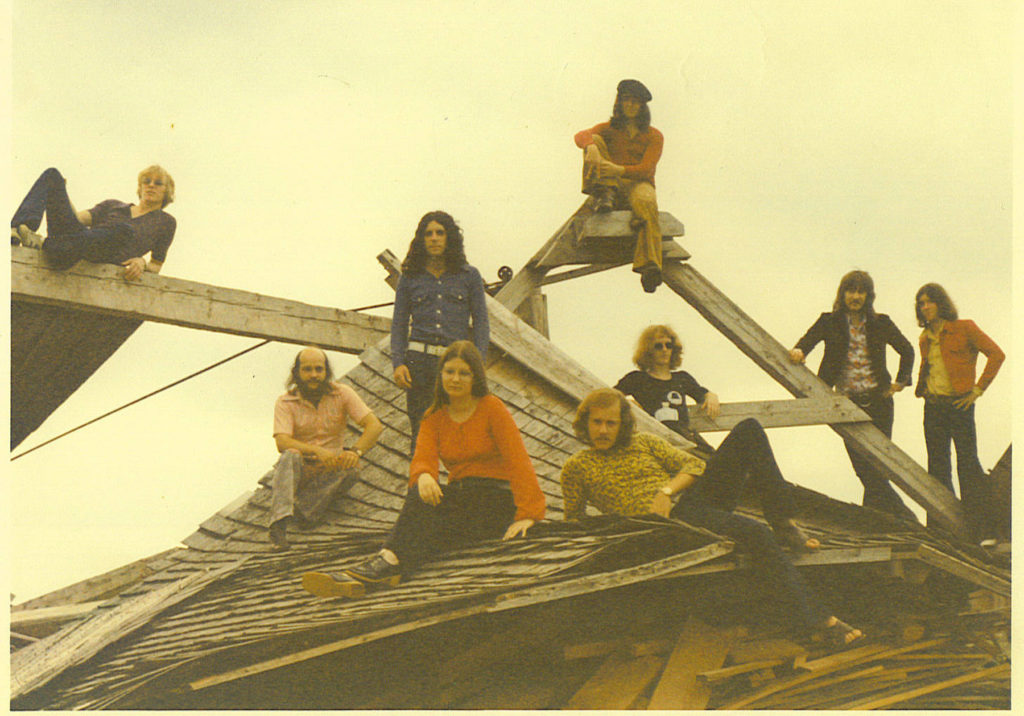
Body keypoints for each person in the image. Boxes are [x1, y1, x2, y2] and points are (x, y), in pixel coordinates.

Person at [560, 388, 864, 649]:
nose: (602, 430)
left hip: (689, 505)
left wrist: (665, 491)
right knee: (754, 532)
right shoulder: (577, 467)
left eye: (610, 423)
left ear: (622, 424)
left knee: (749, 429)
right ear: (584, 424)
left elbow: (693, 465)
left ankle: (782, 520)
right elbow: (574, 519)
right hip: (660, 529)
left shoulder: (644, 443)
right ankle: (822, 619)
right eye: (596, 422)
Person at [302, 341, 545, 598]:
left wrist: (528, 514)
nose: (455, 379)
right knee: (424, 513)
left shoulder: (491, 407)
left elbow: (519, 461)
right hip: (461, 499)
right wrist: (425, 475)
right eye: (450, 371)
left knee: (425, 524)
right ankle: (374, 579)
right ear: (440, 375)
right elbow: (422, 459)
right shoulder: (433, 416)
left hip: (496, 500)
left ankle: (386, 561)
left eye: (464, 373)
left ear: (475, 377)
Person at [789, 271, 917, 520]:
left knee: (878, 468)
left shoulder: (881, 322)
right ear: (842, 293)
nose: (855, 296)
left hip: (879, 404)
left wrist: (901, 382)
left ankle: (879, 519)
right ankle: (903, 517)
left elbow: (907, 350)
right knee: (863, 469)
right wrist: (798, 351)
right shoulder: (829, 321)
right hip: (846, 405)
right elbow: (806, 342)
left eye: (861, 291)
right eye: (851, 290)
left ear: (869, 296)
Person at [264, 347, 383, 550]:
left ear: (326, 372)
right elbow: (282, 442)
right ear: (297, 373)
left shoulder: (343, 393)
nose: (313, 375)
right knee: (289, 456)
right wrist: (315, 450)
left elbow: (375, 425)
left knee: (352, 469)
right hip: (299, 471)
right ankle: (279, 525)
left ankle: (304, 511)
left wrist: (355, 451)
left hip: (328, 470)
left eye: (319, 369)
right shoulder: (285, 401)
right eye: (307, 369)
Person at [390, 211, 490, 453]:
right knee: (422, 434)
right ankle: (418, 489)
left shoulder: (469, 276)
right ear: (421, 239)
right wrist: (398, 363)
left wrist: (476, 365)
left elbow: (481, 324)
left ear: (450, 238)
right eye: (429, 234)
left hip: (455, 365)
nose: (434, 238)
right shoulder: (409, 278)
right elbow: (399, 324)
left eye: (440, 233)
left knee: (461, 431)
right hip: (419, 364)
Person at [914, 283, 1004, 543]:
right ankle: (942, 530)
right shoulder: (924, 338)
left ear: (941, 303)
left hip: (959, 404)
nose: (926, 307)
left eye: (930, 301)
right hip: (933, 406)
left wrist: (977, 391)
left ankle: (983, 531)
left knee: (968, 464)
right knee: (937, 466)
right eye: (921, 303)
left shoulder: (965, 327)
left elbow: (997, 354)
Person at [574, 79, 665, 293]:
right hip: (611, 183)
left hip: (637, 183)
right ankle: (604, 192)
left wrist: (619, 170)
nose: (632, 105)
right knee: (593, 139)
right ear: (620, 103)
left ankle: (650, 265)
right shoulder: (607, 129)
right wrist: (591, 147)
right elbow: (581, 136)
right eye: (627, 100)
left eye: (637, 102)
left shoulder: (654, 135)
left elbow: (647, 169)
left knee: (647, 201)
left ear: (643, 107)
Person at [11, 166, 177, 281]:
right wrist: (61, 195)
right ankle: (18, 229)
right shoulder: (113, 205)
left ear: (166, 191)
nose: (151, 185)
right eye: (146, 181)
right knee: (53, 175)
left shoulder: (166, 222)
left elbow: (156, 265)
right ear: (140, 187)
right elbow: (77, 219)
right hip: (71, 243)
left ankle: (45, 243)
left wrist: (141, 262)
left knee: (124, 230)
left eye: (158, 183)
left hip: (100, 254)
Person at [614, 324, 719, 457]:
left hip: (686, 441)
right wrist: (627, 403)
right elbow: (608, 398)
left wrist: (710, 394)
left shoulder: (682, 378)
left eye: (668, 345)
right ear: (648, 350)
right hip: (655, 442)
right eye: (658, 346)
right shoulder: (637, 379)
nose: (664, 350)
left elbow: (701, 393)